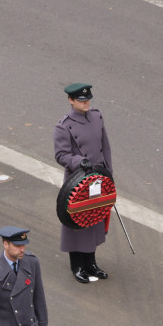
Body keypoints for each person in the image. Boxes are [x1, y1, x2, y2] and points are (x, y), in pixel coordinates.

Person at [53, 83, 113, 283]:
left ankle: (91, 262)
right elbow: (61, 155)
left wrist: (109, 175)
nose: (86, 102)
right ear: (71, 101)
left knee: (94, 216)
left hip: (97, 177)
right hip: (77, 180)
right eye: (81, 100)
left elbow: (105, 148)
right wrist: (79, 161)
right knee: (77, 220)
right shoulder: (64, 125)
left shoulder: (97, 117)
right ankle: (77, 265)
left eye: (87, 99)